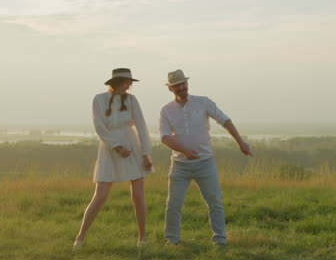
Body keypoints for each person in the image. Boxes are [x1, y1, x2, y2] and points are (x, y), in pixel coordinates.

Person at [159, 69, 252, 246]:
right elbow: (164, 137)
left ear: (187, 83)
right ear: (170, 89)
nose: (181, 87)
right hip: (179, 165)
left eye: (182, 83)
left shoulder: (203, 102)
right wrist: (185, 151)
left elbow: (225, 121)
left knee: (214, 201)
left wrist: (241, 142)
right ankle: (171, 240)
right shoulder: (166, 110)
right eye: (176, 85)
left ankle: (219, 240)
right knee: (173, 205)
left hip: (205, 162)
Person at [74, 68, 153, 249]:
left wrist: (145, 154)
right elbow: (100, 126)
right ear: (116, 83)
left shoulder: (132, 100)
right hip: (109, 147)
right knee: (100, 195)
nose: (128, 86)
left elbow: (141, 126)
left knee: (138, 195)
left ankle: (142, 238)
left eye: (129, 83)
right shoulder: (99, 99)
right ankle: (80, 237)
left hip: (132, 146)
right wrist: (116, 146)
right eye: (126, 83)